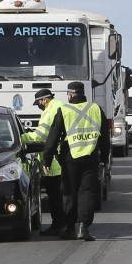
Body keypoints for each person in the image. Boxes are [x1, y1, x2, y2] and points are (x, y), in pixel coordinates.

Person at [43, 81, 110, 241]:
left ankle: (69, 229)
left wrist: (47, 159)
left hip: (69, 159)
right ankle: (83, 228)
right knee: (87, 192)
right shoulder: (95, 108)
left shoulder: (64, 110)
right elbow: (105, 137)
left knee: (69, 192)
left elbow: (53, 137)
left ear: (71, 94)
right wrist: (105, 158)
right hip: (91, 157)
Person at [22, 88, 67, 236]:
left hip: (53, 161)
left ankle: (58, 225)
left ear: (44, 100)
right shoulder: (59, 105)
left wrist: (23, 138)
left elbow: (41, 136)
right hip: (61, 157)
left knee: (54, 196)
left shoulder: (50, 110)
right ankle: (63, 224)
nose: (39, 106)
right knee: (61, 195)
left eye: (39, 103)